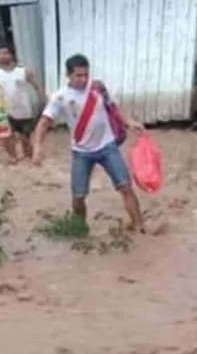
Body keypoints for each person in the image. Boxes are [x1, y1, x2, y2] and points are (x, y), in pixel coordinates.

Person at [31, 54, 146, 232]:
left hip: (107, 146)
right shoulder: (60, 97)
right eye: (78, 75)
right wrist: (38, 146)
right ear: (68, 75)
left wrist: (129, 122)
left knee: (125, 187)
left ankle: (139, 226)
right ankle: (80, 229)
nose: (83, 79)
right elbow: (44, 122)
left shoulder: (98, 88)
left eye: (86, 74)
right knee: (78, 196)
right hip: (81, 152)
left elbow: (113, 107)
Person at [0, 43, 45, 163]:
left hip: (23, 109)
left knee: (25, 136)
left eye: (7, 53)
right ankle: (13, 157)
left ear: (12, 55)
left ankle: (28, 156)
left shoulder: (23, 71)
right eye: (1, 53)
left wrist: (42, 98)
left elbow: (36, 85)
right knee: (6, 135)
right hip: (4, 108)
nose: (4, 56)